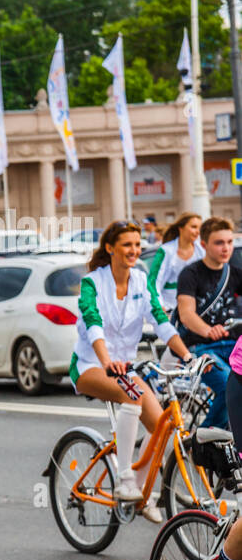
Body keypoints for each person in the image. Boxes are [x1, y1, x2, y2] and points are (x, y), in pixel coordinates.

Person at [73, 221, 192, 522]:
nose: (134, 251)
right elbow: (92, 321)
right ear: (111, 248)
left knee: (163, 427)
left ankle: (139, 489)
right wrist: (105, 361)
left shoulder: (140, 280)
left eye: (137, 245)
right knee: (133, 396)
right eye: (127, 245)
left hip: (124, 368)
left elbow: (161, 319)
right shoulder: (93, 283)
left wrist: (186, 354)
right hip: (90, 365)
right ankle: (125, 479)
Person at [174, 217, 241, 431]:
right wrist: (208, 330)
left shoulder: (235, 273)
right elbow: (186, 314)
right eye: (219, 243)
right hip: (200, 348)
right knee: (227, 386)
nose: (226, 248)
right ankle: (202, 441)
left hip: (232, 347)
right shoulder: (190, 274)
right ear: (203, 245)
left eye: (230, 242)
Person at [145, 212, 204, 318]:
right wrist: (159, 306)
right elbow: (153, 283)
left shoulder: (202, 251)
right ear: (181, 228)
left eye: (199, 228)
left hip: (197, 311)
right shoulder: (165, 251)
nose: (197, 231)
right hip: (169, 312)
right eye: (194, 227)